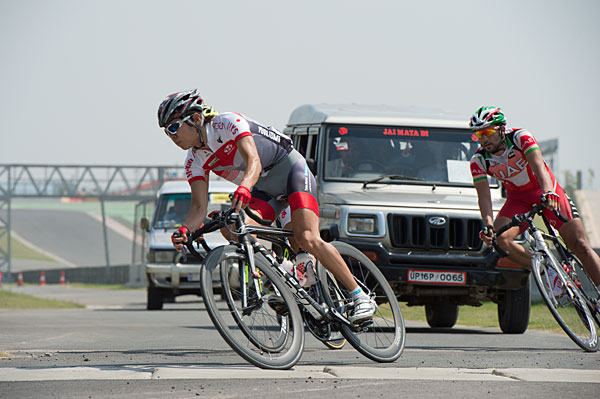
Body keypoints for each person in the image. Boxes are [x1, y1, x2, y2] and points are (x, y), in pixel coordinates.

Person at [157, 89, 377, 323]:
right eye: (165, 131)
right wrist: (185, 230)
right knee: (231, 227)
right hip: (263, 188)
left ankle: (360, 296)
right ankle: (289, 272)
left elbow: (254, 162)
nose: (171, 136)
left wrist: (243, 188)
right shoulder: (194, 161)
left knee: (307, 238)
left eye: (173, 127)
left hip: (291, 171)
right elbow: (198, 208)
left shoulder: (227, 123)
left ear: (196, 119)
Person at [469, 106, 600, 295]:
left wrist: (548, 193)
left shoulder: (520, 138)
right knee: (499, 238)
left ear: (501, 128)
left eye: (487, 132)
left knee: (579, 244)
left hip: (543, 188)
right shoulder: (479, 161)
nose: (483, 139)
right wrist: (488, 225)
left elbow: (539, 166)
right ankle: (549, 272)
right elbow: (484, 197)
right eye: (478, 135)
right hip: (518, 199)